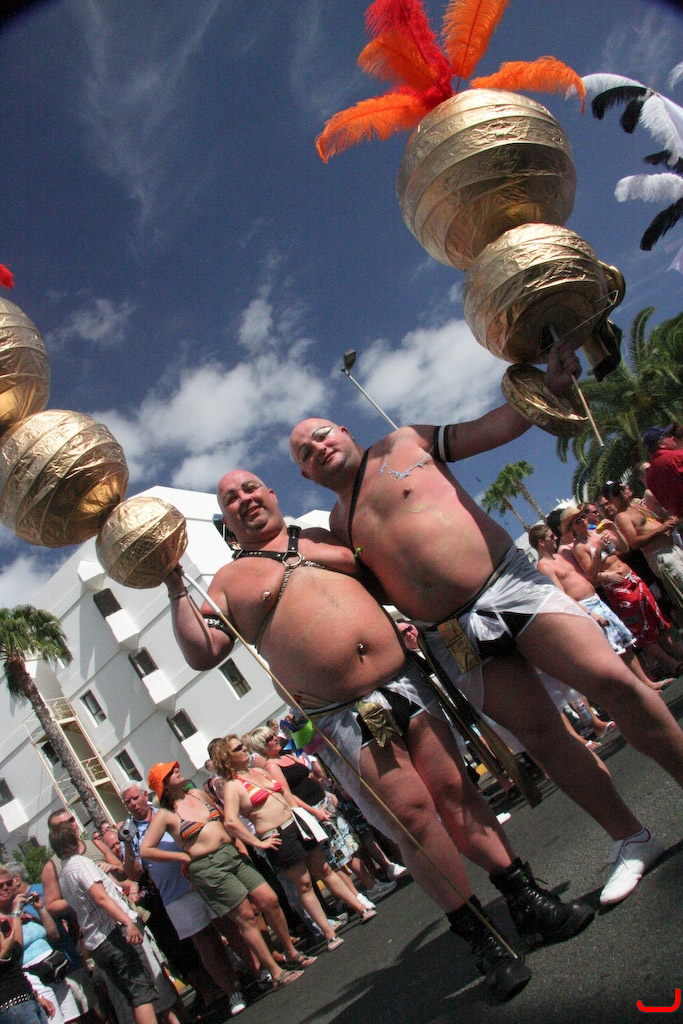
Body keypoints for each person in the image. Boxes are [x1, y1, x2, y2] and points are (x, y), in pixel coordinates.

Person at [164, 469, 595, 1002]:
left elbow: (392, 572)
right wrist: (173, 583)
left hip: (406, 682)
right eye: (231, 498)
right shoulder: (229, 581)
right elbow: (203, 651)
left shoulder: (321, 536)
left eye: (250, 488)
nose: (244, 499)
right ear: (226, 521)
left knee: (457, 792)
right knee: (412, 818)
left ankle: (526, 901)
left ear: (271, 493)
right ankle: (483, 939)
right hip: (345, 713)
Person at [288, 355, 683, 908]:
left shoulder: (405, 442)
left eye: (320, 435)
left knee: (613, 682)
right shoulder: (336, 525)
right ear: (306, 475)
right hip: (451, 634)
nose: (317, 449)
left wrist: (546, 390)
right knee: (543, 737)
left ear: (344, 430)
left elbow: (492, 427)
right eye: (304, 454)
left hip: (509, 584)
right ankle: (632, 838)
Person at [139, 763, 304, 991]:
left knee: (269, 899)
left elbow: (225, 821)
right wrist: (182, 857)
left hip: (231, 853)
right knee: (245, 916)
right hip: (208, 867)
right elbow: (146, 850)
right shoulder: (165, 815)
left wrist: (242, 845)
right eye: (170, 772)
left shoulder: (197, 794)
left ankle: (291, 952)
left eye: (176, 767)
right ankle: (276, 972)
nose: (177, 770)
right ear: (163, 785)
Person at [212, 733, 367, 949]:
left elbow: (284, 792)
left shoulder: (258, 771)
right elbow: (230, 821)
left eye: (242, 746)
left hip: (296, 824)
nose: (244, 749)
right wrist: (259, 843)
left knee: (324, 869)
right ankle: (329, 933)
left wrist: (304, 816)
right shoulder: (232, 786)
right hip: (276, 836)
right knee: (304, 884)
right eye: (238, 748)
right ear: (226, 757)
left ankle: (360, 907)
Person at [117, 783, 246, 1017]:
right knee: (205, 942)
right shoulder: (132, 833)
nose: (133, 804)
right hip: (174, 894)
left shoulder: (167, 811)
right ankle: (232, 991)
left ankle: (256, 970)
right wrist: (127, 842)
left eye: (135, 798)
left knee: (229, 925)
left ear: (145, 795)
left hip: (202, 878)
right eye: (127, 802)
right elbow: (134, 874)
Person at [530, 520, 667, 692]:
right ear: (541, 542)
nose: (555, 538)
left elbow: (586, 572)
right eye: (551, 537)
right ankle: (639, 689)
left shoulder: (559, 556)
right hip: (586, 607)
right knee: (615, 651)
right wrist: (589, 613)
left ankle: (647, 683)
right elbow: (562, 595)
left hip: (596, 600)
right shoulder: (544, 566)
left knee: (624, 644)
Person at [48, 825, 158, 1024]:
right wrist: (127, 922)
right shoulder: (80, 864)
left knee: (131, 997)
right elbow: (101, 898)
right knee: (141, 993)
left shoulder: (63, 875)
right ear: (73, 839)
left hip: (97, 944)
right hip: (112, 934)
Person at [564, 501, 683, 677]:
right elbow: (591, 573)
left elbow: (624, 548)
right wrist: (599, 552)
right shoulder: (579, 547)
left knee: (657, 618)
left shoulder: (598, 533)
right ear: (572, 527)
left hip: (631, 577)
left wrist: (614, 530)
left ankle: (679, 655)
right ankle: (671, 664)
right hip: (617, 587)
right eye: (577, 520)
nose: (582, 520)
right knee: (642, 628)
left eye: (582, 516)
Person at [0, 881, 53, 1024]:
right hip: (11, 1005)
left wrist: (36, 995)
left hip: (27, 997)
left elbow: (17, 949)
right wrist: (4, 952)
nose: (5, 888)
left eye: (8, 883)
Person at [644, 424, 683, 520]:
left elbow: (665, 504)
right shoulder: (676, 457)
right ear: (661, 444)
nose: (672, 438)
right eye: (668, 436)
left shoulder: (649, 476)